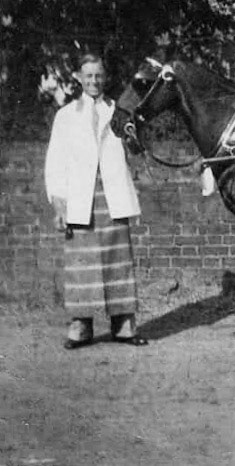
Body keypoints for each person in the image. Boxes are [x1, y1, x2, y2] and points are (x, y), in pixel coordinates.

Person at [44, 53, 148, 349]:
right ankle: (81, 327)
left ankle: (123, 326)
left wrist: (134, 137)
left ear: (106, 77)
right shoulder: (66, 116)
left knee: (118, 261)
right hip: (80, 200)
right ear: (79, 78)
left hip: (113, 197)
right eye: (88, 76)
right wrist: (59, 202)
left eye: (98, 75)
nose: (94, 81)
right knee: (82, 264)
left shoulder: (119, 111)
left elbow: (136, 150)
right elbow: (55, 161)